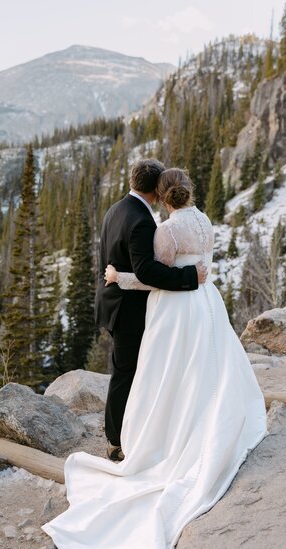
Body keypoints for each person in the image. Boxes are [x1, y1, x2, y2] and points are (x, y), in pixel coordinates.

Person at [41, 167, 268, 549]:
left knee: (157, 374)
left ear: (162, 197)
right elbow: (190, 272)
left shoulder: (154, 225)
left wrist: (117, 277)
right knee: (198, 368)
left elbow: (150, 277)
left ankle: (137, 439)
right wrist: (181, 277)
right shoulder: (205, 223)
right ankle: (187, 424)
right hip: (204, 304)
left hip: (171, 309)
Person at [94, 158, 207, 461]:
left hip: (111, 302)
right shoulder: (142, 220)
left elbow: (106, 258)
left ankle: (127, 432)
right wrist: (189, 278)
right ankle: (116, 441)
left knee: (127, 370)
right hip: (128, 309)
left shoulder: (114, 209)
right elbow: (147, 272)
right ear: (156, 191)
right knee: (126, 373)